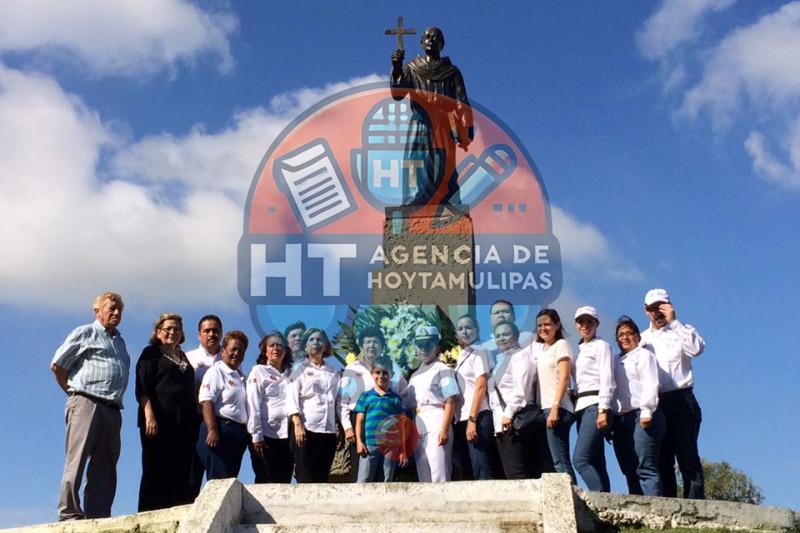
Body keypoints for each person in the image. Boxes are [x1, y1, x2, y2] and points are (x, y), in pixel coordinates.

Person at [50, 291, 130, 520]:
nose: (116, 313)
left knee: (105, 465)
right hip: (86, 401)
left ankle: (98, 514)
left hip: (112, 407)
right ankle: (69, 513)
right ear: (97, 311)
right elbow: (58, 365)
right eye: (111, 308)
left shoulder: (120, 342)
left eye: (119, 310)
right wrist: (72, 392)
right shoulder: (86, 332)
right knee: (77, 459)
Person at [390, 26, 473, 205]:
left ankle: (446, 198)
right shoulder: (411, 69)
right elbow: (398, 95)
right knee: (416, 160)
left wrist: (466, 127)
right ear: (421, 42)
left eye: (436, 37)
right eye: (427, 37)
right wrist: (397, 68)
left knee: (443, 162)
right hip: (420, 123)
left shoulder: (452, 72)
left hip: (443, 124)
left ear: (442, 44)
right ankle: (415, 199)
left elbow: (462, 102)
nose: (431, 40)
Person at [640, 288, 706, 499]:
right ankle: (669, 507)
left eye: (661, 307)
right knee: (662, 458)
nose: (657, 312)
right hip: (657, 402)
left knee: (687, 454)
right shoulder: (642, 339)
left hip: (682, 397)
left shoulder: (683, 330)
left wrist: (675, 322)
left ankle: (696, 506)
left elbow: (696, 349)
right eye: (652, 308)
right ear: (645, 310)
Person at [135, 313, 197, 511]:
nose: (172, 332)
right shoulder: (151, 353)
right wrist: (149, 416)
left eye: (176, 329)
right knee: (155, 467)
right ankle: (149, 513)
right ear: (158, 332)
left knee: (180, 468)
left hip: (183, 423)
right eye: (168, 328)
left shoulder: (183, 356)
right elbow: (142, 389)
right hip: (158, 421)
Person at [339, 326, 408, 481]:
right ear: (361, 345)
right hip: (360, 421)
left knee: (385, 474)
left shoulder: (393, 368)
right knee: (362, 470)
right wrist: (347, 427)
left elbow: (404, 395)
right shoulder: (352, 368)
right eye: (368, 342)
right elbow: (342, 401)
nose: (371, 345)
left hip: (387, 421)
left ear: (382, 346)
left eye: (375, 342)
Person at [612, 315, 665, 496]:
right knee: (628, 467)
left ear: (638, 336)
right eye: (620, 335)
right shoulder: (614, 360)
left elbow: (650, 383)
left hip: (641, 415)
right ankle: (637, 509)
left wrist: (647, 411)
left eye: (629, 333)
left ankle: (656, 510)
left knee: (645, 465)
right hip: (621, 419)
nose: (625, 337)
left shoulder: (644, 355)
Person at [286, 328, 340, 482]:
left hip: (328, 431)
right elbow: (292, 398)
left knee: (322, 478)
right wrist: (297, 424)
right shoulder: (299, 369)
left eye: (319, 340)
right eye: (311, 340)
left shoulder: (333, 372)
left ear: (325, 346)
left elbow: (337, 400)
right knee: (306, 477)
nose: (315, 343)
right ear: (304, 346)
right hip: (305, 430)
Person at [407, 325, 459, 482]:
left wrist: (443, 429)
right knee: (423, 473)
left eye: (428, 344)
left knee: (439, 471)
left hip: (437, 419)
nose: (423, 348)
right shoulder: (415, 375)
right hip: (419, 423)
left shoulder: (442, 369)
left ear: (437, 347)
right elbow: (410, 406)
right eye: (419, 344)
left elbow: (450, 400)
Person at [572, 306, 615, 492]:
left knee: (580, 459)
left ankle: (598, 500)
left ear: (596, 324)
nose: (585, 325)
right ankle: (607, 501)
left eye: (589, 321)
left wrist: (603, 409)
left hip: (595, 405)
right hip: (581, 407)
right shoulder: (579, 350)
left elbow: (607, 378)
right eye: (581, 322)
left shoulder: (601, 346)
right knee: (596, 460)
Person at [197, 330, 250, 480]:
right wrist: (212, 429)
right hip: (219, 429)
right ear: (223, 350)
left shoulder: (242, 378)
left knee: (230, 482)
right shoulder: (216, 372)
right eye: (233, 349)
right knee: (219, 481)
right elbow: (207, 401)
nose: (237, 353)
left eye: (241, 350)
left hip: (237, 435)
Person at [487, 320, 536, 479]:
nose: (501, 338)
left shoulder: (521, 355)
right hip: (500, 423)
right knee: (509, 472)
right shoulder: (500, 360)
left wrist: (508, 413)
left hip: (513, 420)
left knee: (517, 471)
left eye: (506, 334)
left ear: (516, 335)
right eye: (498, 335)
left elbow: (521, 389)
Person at [535, 308, 577, 483]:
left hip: (558, 408)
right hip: (545, 408)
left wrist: (555, 407)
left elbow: (565, 377)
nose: (543, 328)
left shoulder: (561, 345)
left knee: (560, 459)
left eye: (547, 324)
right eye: (539, 325)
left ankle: (574, 498)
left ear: (557, 325)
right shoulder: (542, 350)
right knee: (554, 460)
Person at [246, 331, 294, 483]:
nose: (276, 348)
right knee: (265, 479)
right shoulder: (258, 371)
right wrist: (256, 435)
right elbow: (252, 403)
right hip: (265, 435)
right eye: (271, 345)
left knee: (284, 480)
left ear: (285, 351)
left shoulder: (292, 374)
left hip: (287, 436)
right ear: (265, 351)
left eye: (280, 345)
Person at [451, 315, 494, 480]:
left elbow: (481, 386)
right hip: (460, 418)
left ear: (476, 330)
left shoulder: (480, 352)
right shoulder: (461, 355)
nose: (465, 331)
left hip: (477, 415)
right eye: (460, 328)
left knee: (481, 468)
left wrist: (472, 419)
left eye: (468, 327)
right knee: (468, 471)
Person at [184, 314, 223, 497]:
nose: (211, 334)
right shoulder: (188, 357)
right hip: (194, 421)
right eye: (207, 331)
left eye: (215, 330)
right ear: (199, 335)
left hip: (221, 422)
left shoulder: (229, 358)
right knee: (191, 473)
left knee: (218, 476)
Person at [354, 357, 409, 482]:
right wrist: (359, 441)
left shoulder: (395, 398)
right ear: (372, 374)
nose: (381, 376)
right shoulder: (365, 396)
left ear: (391, 375)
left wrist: (402, 450)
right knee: (364, 479)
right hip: (369, 445)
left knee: (387, 479)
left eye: (385, 373)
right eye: (377, 372)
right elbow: (359, 421)